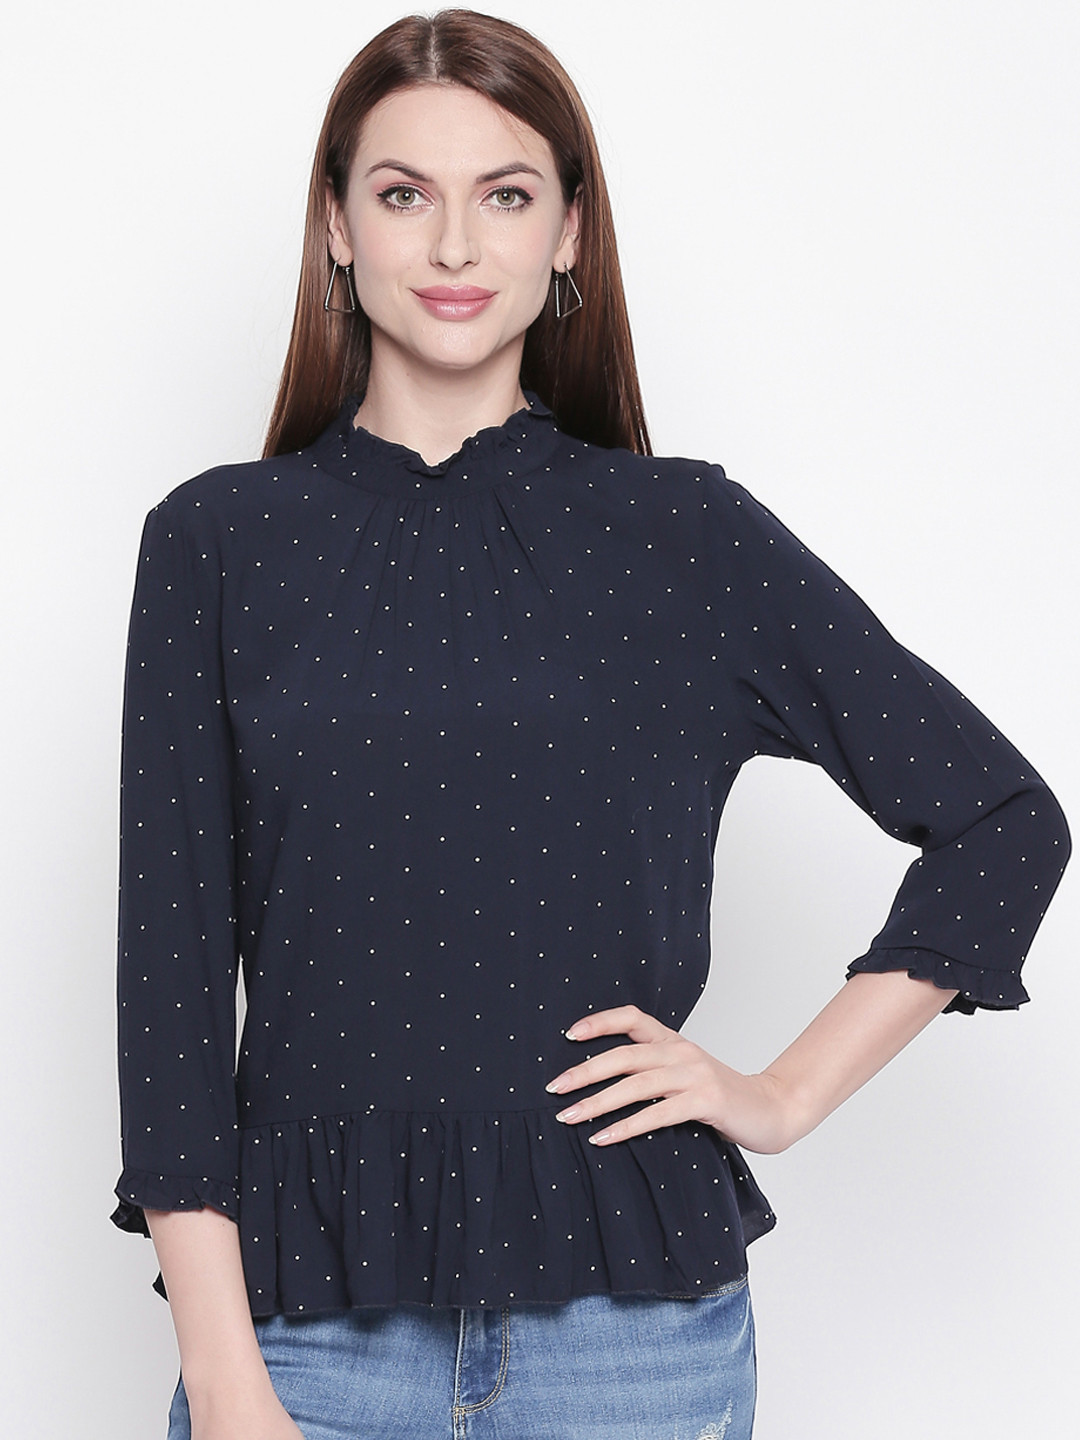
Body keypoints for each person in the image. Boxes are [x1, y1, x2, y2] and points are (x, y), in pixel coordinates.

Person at [110, 10, 1070, 1439]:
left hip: (634, 1350)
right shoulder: (218, 545)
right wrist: (228, 1378)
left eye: (505, 196)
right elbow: (171, 989)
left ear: (568, 233)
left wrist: (781, 1094)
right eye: (404, 194)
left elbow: (1003, 820)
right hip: (301, 1346)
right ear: (337, 227)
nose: (454, 244)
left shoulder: (683, 536)